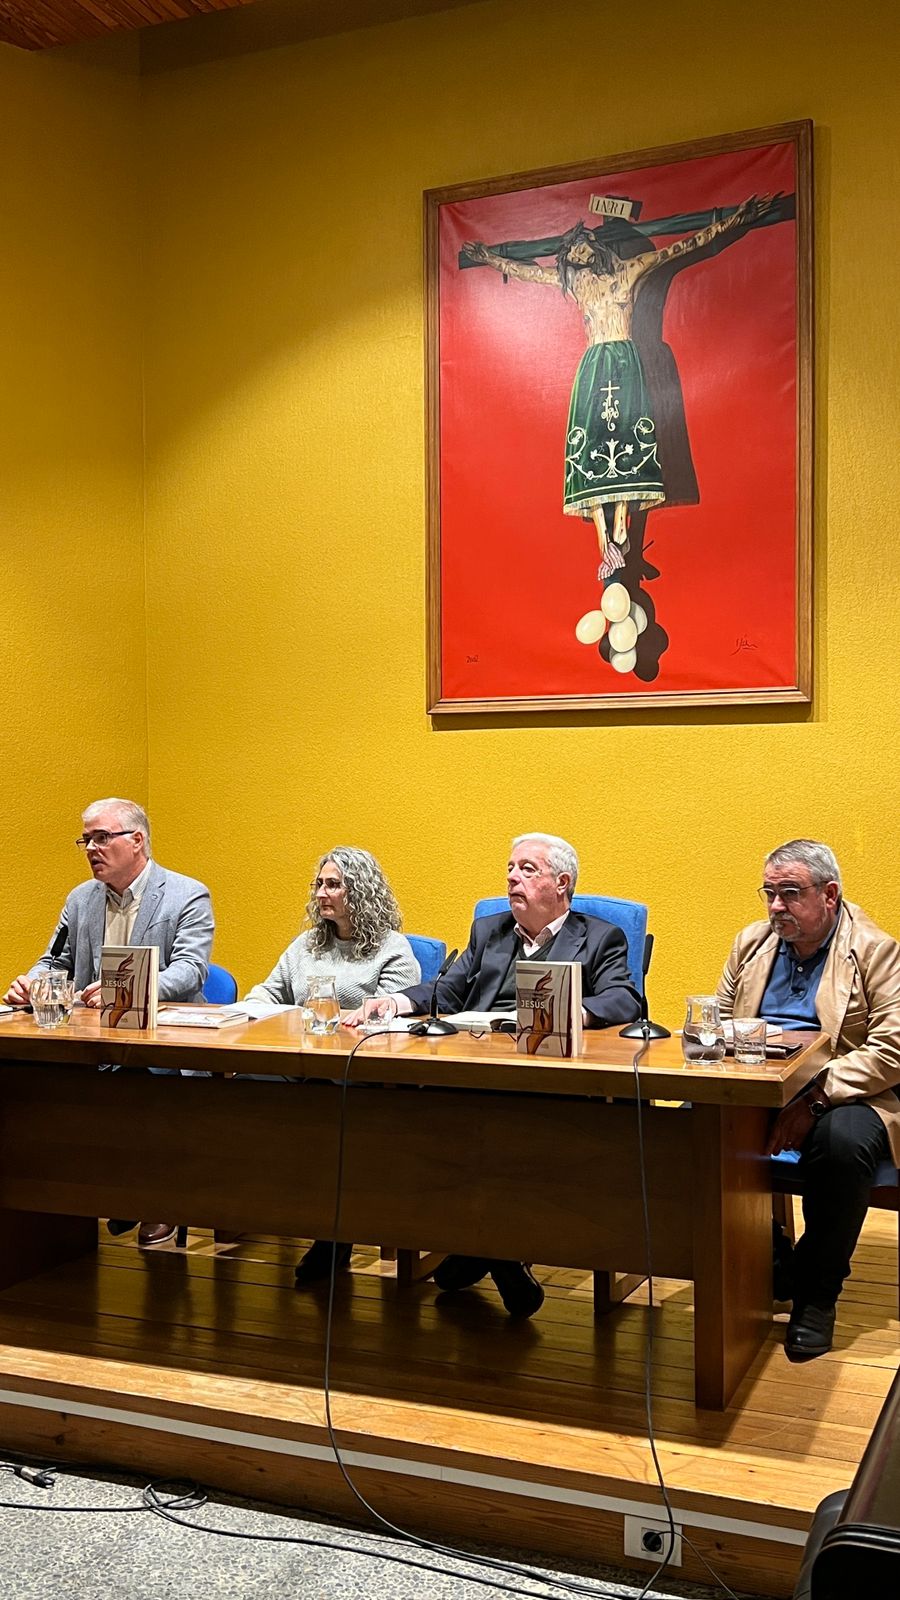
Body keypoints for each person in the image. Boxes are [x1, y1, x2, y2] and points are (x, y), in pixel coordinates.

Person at [347, 832, 641, 1317]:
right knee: (415, 1122)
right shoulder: (489, 931)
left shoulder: (600, 936)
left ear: (562, 883)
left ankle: (481, 1248)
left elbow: (625, 998)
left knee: (507, 1131)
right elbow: (446, 991)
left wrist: (573, 1011)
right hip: (476, 1069)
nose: (512, 877)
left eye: (527, 869)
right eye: (510, 868)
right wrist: (395, 1002)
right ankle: (497, 1252)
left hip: (549, 1080)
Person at [462, 196, 777, 592]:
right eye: (570, 254)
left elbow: (682, 248)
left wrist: (732, 221)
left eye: (578, 248)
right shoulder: (576, 282)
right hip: (594, 367)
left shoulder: (629, 271)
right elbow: (529, 273)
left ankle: (621, 531)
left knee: (628, 444)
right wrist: (491, 258)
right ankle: (605, 538)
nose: (574, 257)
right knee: (591, 449)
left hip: (625, 365)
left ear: (594, 245)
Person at [717, 839, 900, 1362]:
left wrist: (816, 1097)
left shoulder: (875, 950)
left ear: (829, 894)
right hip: (758, 1082)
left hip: (847, 1091)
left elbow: (892, 1048)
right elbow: (722, 1021)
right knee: (689, 1124)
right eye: (769, 893)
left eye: (790, 893)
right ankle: (770, 1255)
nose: (776, 906)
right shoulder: (750, 944)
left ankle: (816, 1294)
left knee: (843, 1145)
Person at [3, 797, 214, 1248]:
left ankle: (155, 1198)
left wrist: (128, 989)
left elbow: (190, 970)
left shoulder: (187, 894)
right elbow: (54, 960)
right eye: (86, 840)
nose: (92, 849)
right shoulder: (80, 899)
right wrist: (33, 983)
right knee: (32, 1082)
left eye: (102, 837)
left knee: (141, 1082)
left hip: (160, 1041)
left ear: (137, 840)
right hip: (89, 1038)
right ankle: (58, 1204)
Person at [245, 847, 420, 1288]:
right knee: (246, 1087)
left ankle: (333, 1232)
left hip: (361, 1077)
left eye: (334, 885)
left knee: (328, 1113)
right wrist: (252, 1009)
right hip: (302, 1065)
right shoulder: (306, 946)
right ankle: (258, 1201)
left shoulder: (391, 949)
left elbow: (393, 1020)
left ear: (360, 891)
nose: (322, 893)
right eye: (319, 884)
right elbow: (267, 992)